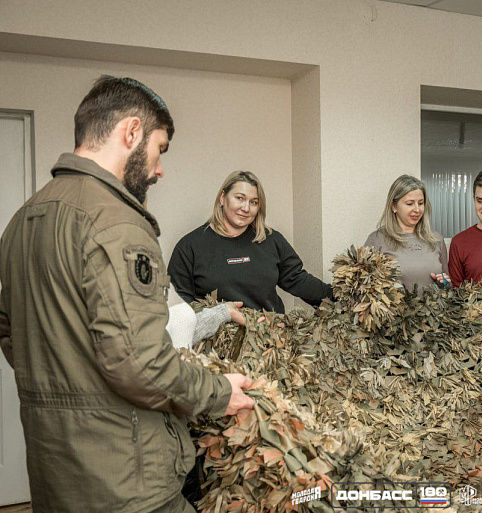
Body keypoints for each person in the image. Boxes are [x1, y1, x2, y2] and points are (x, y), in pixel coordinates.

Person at [0, 76, 254, 512]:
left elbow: (13, 334)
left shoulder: (24, 219)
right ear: (131, 132)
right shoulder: (116, 222)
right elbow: (140, 363)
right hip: (125, 477)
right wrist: (217, 392)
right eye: (159, 149)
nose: (159, 169)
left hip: (56, 469)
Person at [168, 170, 333, 313]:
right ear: (222, 198)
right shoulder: (190, 246)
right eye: (239, 198)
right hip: (217, 344)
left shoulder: (271, 240)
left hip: (269, 341)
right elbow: (179, 304)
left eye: (253, 202)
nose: (246, 208)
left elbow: (298, 279)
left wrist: (342, 299)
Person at [364, 175, 449, 292]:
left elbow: (448, 283)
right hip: (396, 310)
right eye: (409, 204)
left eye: (420, 203)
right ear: (394, 206)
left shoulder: (436, 239)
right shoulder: (377, 239)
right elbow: (363, 286)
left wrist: (444, 283)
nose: (417, 209)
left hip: (433, 310)